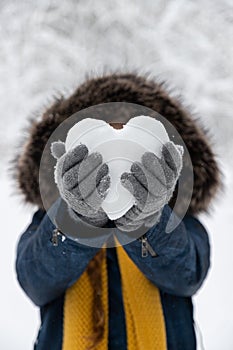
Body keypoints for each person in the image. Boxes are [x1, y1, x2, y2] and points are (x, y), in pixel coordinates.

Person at [15, 73, 220, 350]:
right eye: (104, 139)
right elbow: (36, 282)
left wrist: (148, 220)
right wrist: (79, 220)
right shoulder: (50, 217)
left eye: (130, 141)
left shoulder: (179, 216)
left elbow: (187, 277)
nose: (117, 155)